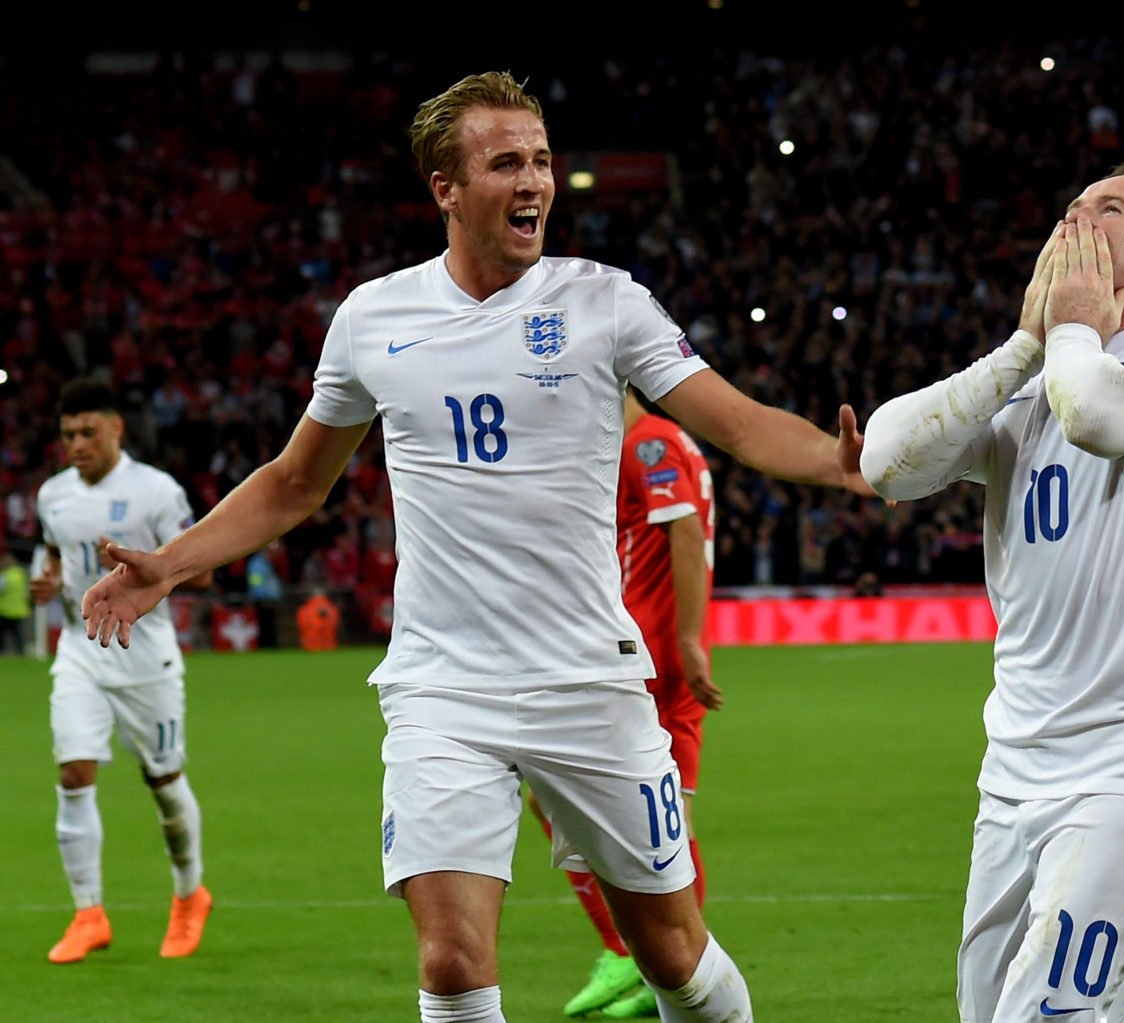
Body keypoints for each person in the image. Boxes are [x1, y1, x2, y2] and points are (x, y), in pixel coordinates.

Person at [81, 71, 869, 1023]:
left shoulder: (606, 303)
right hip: (442, 688)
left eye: (540, 160)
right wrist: (171, 561)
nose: (532, 179)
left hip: (588, 680)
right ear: (445, 188)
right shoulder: (374, 319)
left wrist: (838, 462)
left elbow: (739, 425)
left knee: (671, 952)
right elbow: (296, 483)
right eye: (505, 163)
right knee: (453, 964)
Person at [861, 163, 1124, 1023]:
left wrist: (1069, 332)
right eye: (1073, 207)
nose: (1078, 218)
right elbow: (886, 460)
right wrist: (1025, 346)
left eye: (1110, 209)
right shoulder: (1036, 376)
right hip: (1019, 763)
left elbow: (1101, 418)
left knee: (1047, 1016)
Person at [535, 387, 721, 1019]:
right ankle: (668, 961)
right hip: (652, 650)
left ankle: (638, 952)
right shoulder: (646, 445)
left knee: (557, 792)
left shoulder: (649, 443)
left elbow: (688, 533)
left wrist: (688, 641)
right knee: (665, 813)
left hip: (646, 656)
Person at [30, 378, 215, 963]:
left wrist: (151, 572)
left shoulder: (155, 492)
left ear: (116, 429)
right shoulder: (51, 495)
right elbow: (54, 552)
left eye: (88, 432)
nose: (77, 444)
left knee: (163, 783)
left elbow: (202, 571)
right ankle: (89, 913)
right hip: (81, 651)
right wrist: (49, 578)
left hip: (146, 658)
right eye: (67, 435)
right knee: (74, 773)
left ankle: (190, 895)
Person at [0, 549, 30, 654]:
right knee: (18, 636)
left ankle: (3, 653)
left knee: (2, 636)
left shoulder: (5, 575)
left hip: (5, 612)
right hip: (19, 611)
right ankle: (21, 653)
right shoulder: (20, 573)